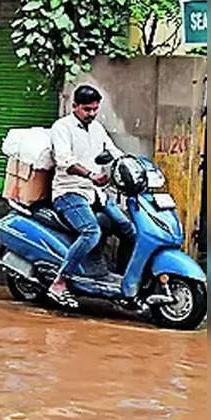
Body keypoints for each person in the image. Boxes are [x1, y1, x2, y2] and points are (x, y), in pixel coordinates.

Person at [45, 85, 137, 308]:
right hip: (70, 192)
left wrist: (130, 166)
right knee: (90, 231)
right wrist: (90, 175)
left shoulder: (96, 128)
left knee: (129, 229)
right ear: (74, 106)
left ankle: (125, 282)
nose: (92, 114)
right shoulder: (62, 128)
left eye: (95, 109)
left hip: (96, 193)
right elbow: (65, 161)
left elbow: (114, 151)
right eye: (87, 109)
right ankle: (59, 282)